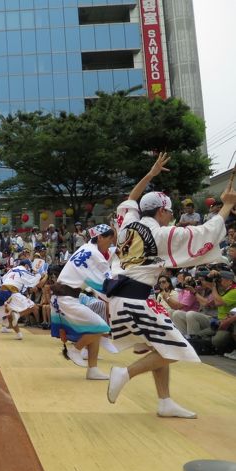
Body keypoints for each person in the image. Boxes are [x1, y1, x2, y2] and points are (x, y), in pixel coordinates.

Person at [105, 152, 236, 419]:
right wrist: (227, 206)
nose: (171, 217)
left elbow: (131, 198)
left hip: (122, 299)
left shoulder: (129, 224)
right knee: (177, 349)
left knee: (159, 347)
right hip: (135, 302)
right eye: (170, 212)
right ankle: (125, 373)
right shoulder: (160, 234)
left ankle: (165, 401)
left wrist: (150, 174)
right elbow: (203, 233)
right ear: (162, 211)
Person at [50, 224, 116, 379]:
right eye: (110, 240)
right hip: (66, 299)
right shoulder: (96, 255)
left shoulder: (85, 248)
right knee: (100, 328)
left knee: (94, 328)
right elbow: (108, 283)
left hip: (66, 297)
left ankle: (92, 369)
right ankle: (76, 349)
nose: (110, 244)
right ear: (100, 237)